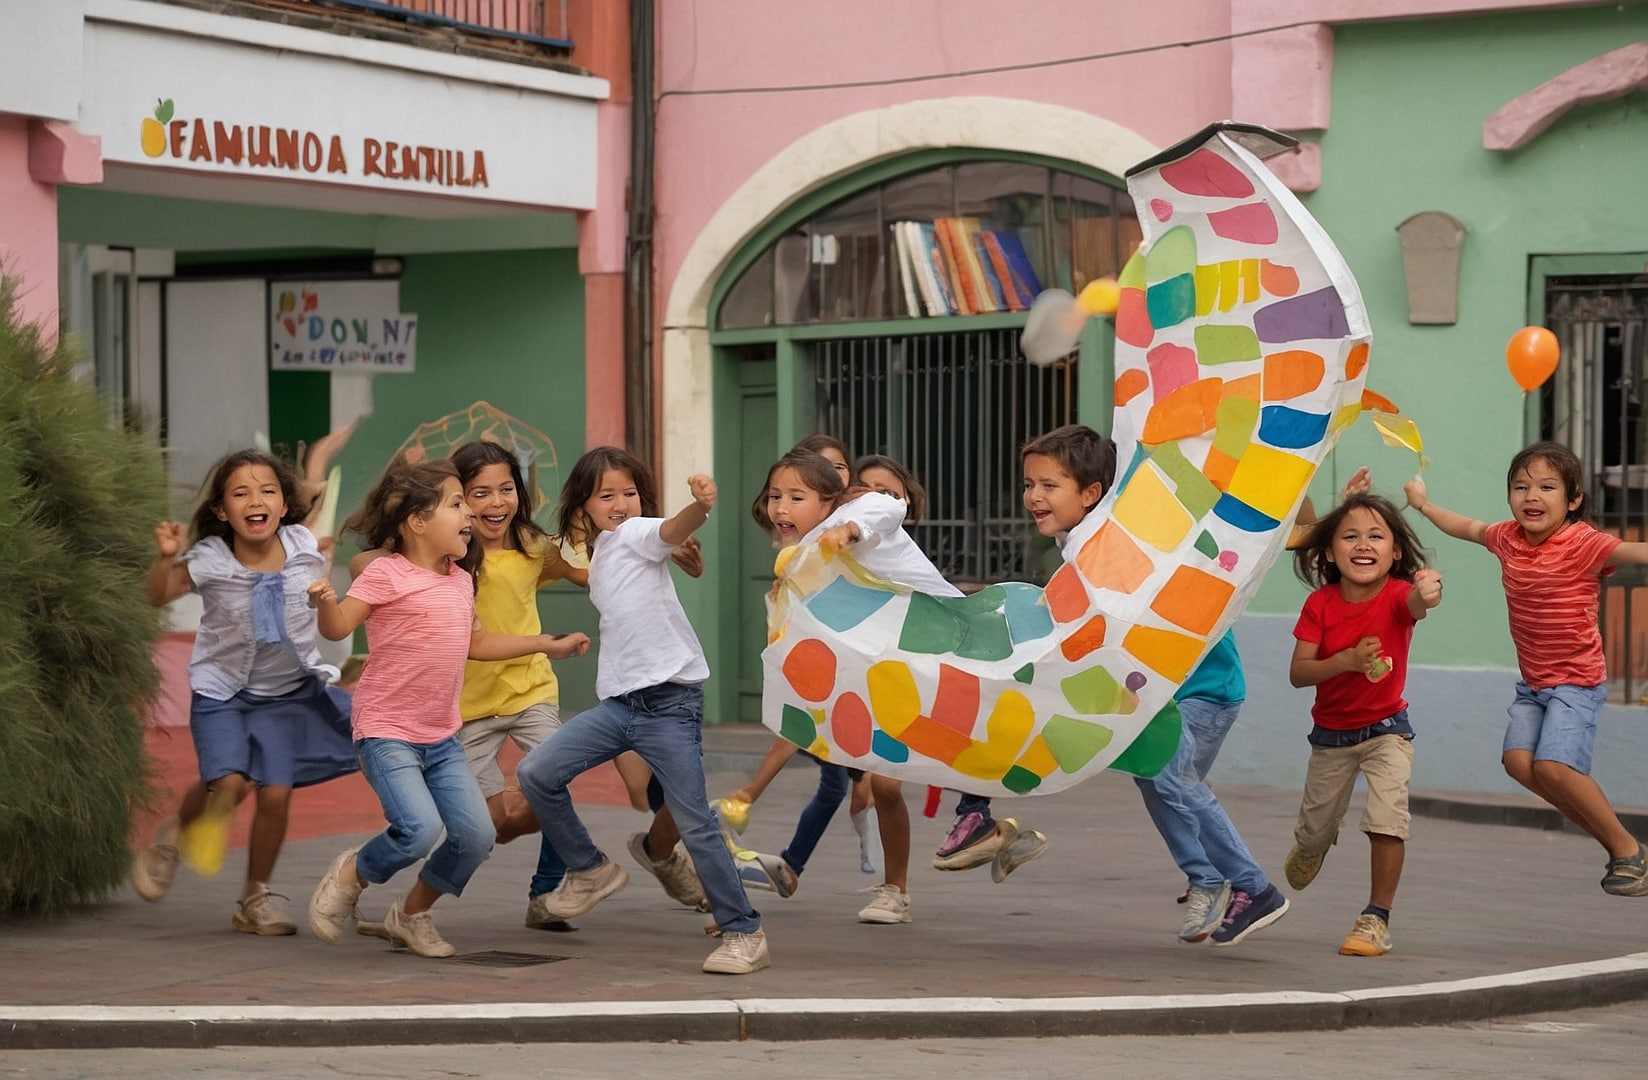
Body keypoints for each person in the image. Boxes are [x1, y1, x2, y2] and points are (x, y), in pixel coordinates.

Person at [305, 459, 589, 958]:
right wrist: (326, 600)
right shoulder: (385, 575)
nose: (469, 515)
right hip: (386, 730)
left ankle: (412, 915)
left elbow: (476, 643)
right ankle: (353, 872)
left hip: (441, 735)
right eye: (457, 504)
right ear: (417, 521)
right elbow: (337, 628)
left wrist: (547, 644)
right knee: (418, 830)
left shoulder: (460, 580)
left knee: (477, 835)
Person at [1021, 424, 1288, 946]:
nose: (1034, 496)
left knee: (1172, 778)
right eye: (1029, 483)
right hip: (1161, 691)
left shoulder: (1111, 542)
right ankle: (1208, 879)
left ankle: (1252, 888)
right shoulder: (1081, 541)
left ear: (1090, 493)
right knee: (1157, 776)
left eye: (1049, 485)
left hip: (1202, 688)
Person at [514, 447, 771, 974]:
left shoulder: (635, 533)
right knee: (537, 772)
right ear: (584, 505)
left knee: (694, 821)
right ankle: (589, 869)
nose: (621, 503)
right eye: (606, 495)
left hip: (669, 706)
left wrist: (699, 506)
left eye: (628, 493)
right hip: (620, 705)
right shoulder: (604, 551)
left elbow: (668, 530)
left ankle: (744, 931)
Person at [1406, 441, 1648, 898]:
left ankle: (1627, 849)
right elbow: (1467, 526)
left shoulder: (1585, 543)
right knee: (1519, 764)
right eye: (1520, 486)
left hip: (1576, 682)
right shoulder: (1506, 538)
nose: (1531, 495)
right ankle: (1619, 843)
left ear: (1573, 499)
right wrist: (1422, 505)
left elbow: (1637, 554)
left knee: (1555, 767)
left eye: (1546, 487)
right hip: (1534, 684)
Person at [132, 449, 357, 936]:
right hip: (225, 693)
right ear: (221, 510)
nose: (255, 500)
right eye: (240, 493)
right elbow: (157, 595)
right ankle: (174, 836)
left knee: (276, 793)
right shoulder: (210, 558)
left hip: (289, 695)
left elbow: (321, 569)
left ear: (283, 505)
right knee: (230, 785)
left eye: (267, 491)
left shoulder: (302, 544)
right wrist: (165, 558)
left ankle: (255, 897)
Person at [1289, 491, 1443, 955]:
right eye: (1350, 536)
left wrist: (1427, 593)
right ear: (1330, 551)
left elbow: (1418, 604)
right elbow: (1299, 674)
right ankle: (1313, 845)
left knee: (1387, 818)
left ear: (1395, 551)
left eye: (1377, 536)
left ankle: (1376, 917)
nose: (1363, 544)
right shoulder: (1320, 604)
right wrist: (1347, 662)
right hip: (1331, 737)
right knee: (1314, 831)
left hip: (1387, 729)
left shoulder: (1398, 596)